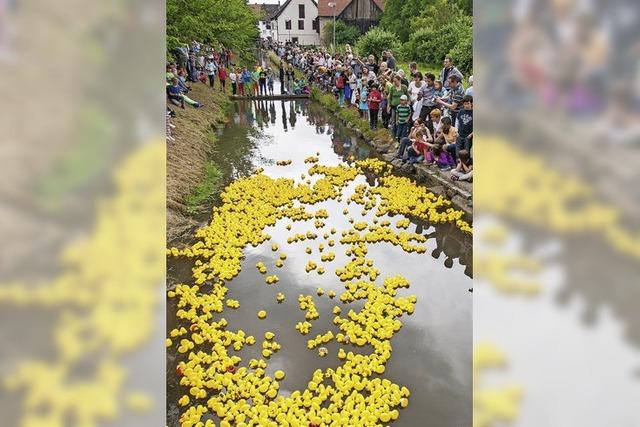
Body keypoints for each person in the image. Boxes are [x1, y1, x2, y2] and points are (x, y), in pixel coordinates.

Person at [447, 94, 473, 159]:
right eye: (465, 104)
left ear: (471, 103)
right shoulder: (461, 111)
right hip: (460, 134)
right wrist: (456, 131)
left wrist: (471, 134)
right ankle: (458, 164)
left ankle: (465, 166)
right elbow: (457, 121)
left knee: (466, 151)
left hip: (468, 135)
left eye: (468, 103)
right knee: (458, 151)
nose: (466, 105)